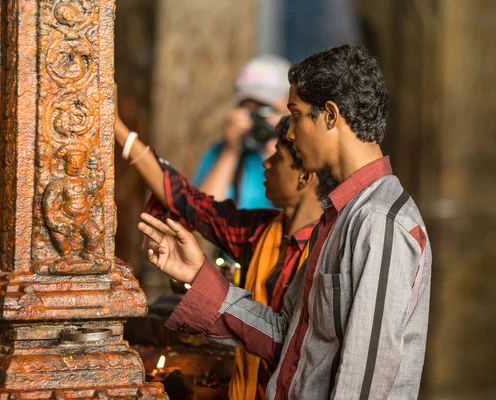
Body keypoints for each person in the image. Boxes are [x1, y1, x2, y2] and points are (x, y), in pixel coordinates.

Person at [137, 45, 432, 399]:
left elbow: (364, 385)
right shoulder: (339, 215)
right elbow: (289, 338)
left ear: (330, 116)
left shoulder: (378, 222)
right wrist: (199, 276)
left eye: (295, 115)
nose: (289, 134)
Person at [115, 102, 335, 397]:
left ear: (304, 177)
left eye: (277, 158)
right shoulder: (260, 230)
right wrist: (117, 128)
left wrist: (201, 277)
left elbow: (292, 346)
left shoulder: (330, 249)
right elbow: (186, 200)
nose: (265, 165)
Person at [194, 55, 291, 210]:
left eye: (267, 110)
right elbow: (204, 215)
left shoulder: (306, 155)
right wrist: (230, 151)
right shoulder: (219, 152)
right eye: (249, 111)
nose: (259, 120)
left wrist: (281, 153)